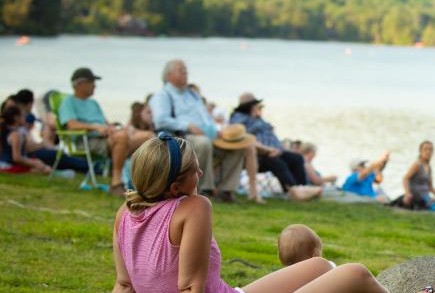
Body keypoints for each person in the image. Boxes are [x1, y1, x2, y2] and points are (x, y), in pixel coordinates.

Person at [92, 135, 435, 293]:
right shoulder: (193, 207)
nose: (200, 177)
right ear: (174, 187)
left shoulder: (126, 212)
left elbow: (125, 285)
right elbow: (189, 286)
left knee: (320, 270)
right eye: (194, 172)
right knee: (354, 274)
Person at [149, 60, 250, 202]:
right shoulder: (162, 95)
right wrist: (187, 125)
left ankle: (226, 190)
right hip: (179, 138)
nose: (186, 73)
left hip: (206, 136)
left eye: (186, 70)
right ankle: (203, 189)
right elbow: (160, 120)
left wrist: (217, 130)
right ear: (168, 75)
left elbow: (206, 117)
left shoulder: (192, 94)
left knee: (238, 146)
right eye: (181, 70)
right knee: (203, 143)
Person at [58, 67, 142, 195]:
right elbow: (71, 125)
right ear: (79, 84)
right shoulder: (68, 102)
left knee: (147, 137)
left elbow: (106, 124)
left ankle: (142, 182)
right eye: (92, 82)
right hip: (87, 140)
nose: (95, 85)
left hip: (107, 138)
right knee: (121, 138)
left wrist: (116, 128)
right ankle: (116, 184)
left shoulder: (93, 103)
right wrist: (96, 127)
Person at [229, 93, 321, 201]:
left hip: (275, 150)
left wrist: (279, 149)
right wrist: (267, 150)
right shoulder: (238, 118)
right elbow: (243, 137)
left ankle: (303, 188)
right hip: (257, 155)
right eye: (255, 105)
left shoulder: (259, 118)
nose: (257, 107)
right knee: (277, 163)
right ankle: (293, 191)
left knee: (296, 158)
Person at [1, 103, 89, 174]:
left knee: (41, 166)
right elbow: (17, 158)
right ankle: (61, 173)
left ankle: (60, 172)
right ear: (16, 118)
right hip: (8, 165)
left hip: (8, 163)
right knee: (41, 169)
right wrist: (33, 163)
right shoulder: (16, 134)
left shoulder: (11, 132)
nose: (25, 118)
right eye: (23, 116)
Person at [400, 141, 435, 210]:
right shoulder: (417, 164)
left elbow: (430, 187)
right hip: (416, 197)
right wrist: (407, 193)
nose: (428, 152)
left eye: (430, 150)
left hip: (425, 197)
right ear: (420, 152)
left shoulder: (429, 167)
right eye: (425, 149)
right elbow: (405, 178)